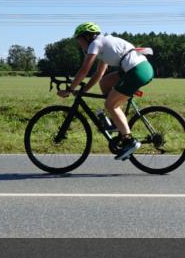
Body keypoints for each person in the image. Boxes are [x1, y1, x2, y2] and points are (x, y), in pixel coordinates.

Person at [58, 22, 154, 160]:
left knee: (110, 105)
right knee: (105, 83)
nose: (80, 45)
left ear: (87, 37)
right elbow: (98, 75)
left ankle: (129, 140)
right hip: (138, 69)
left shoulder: (95, 44)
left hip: (137, 71)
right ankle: (117, 122)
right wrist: (82, 90)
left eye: (79, 41)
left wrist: (70, 89)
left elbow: (85, 69)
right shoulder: (103, 44)